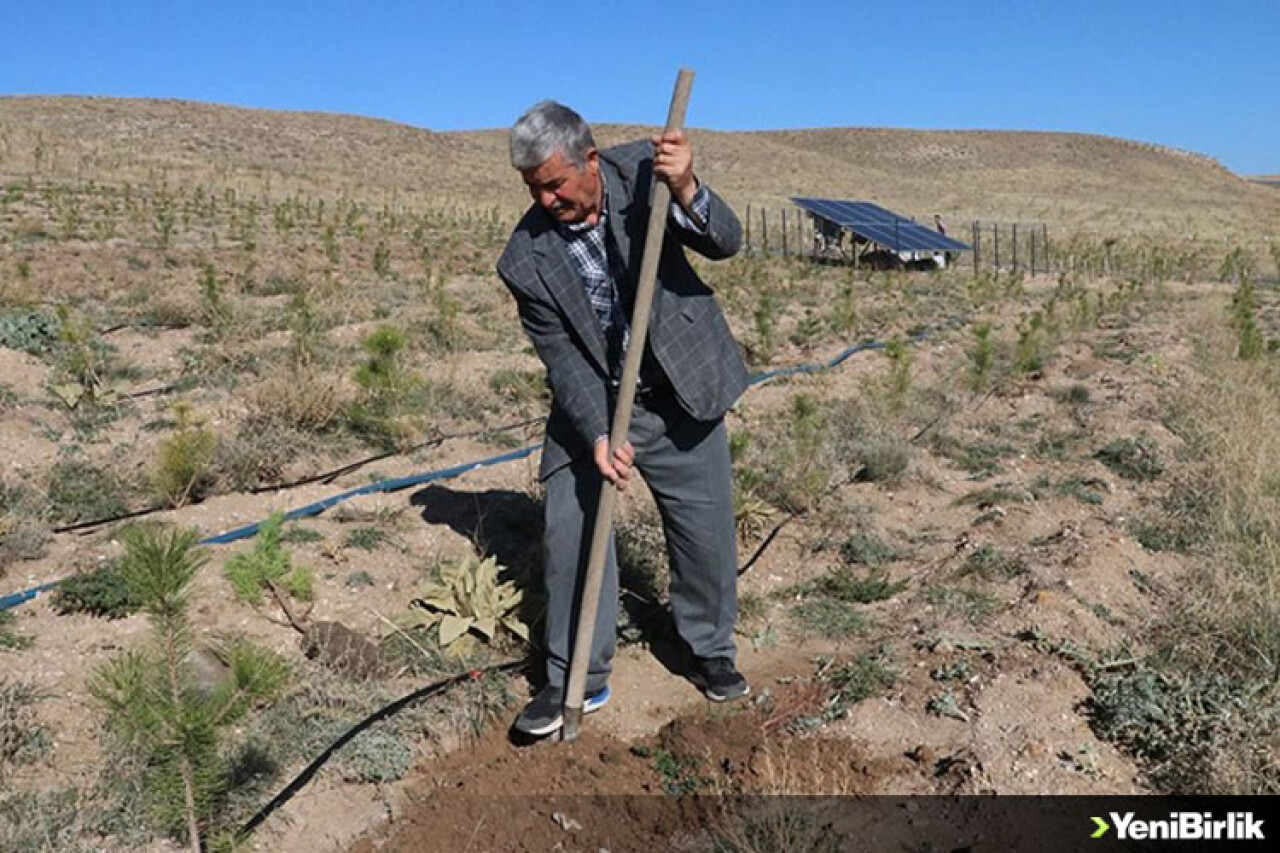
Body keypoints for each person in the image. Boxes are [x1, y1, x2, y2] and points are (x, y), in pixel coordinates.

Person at [496, 101, 750, 737]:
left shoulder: (647, 170)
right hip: (601, 398)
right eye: (535, 189)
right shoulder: (524, 259)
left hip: (679, 384)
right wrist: (599, 433)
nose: (548, 200)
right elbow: (561, 357)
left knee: (705, 531)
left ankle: (707, 647)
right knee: (571, 521)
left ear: (589, 159)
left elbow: (726, 242)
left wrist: (687, 187)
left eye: (556, 183)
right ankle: (576, 674)